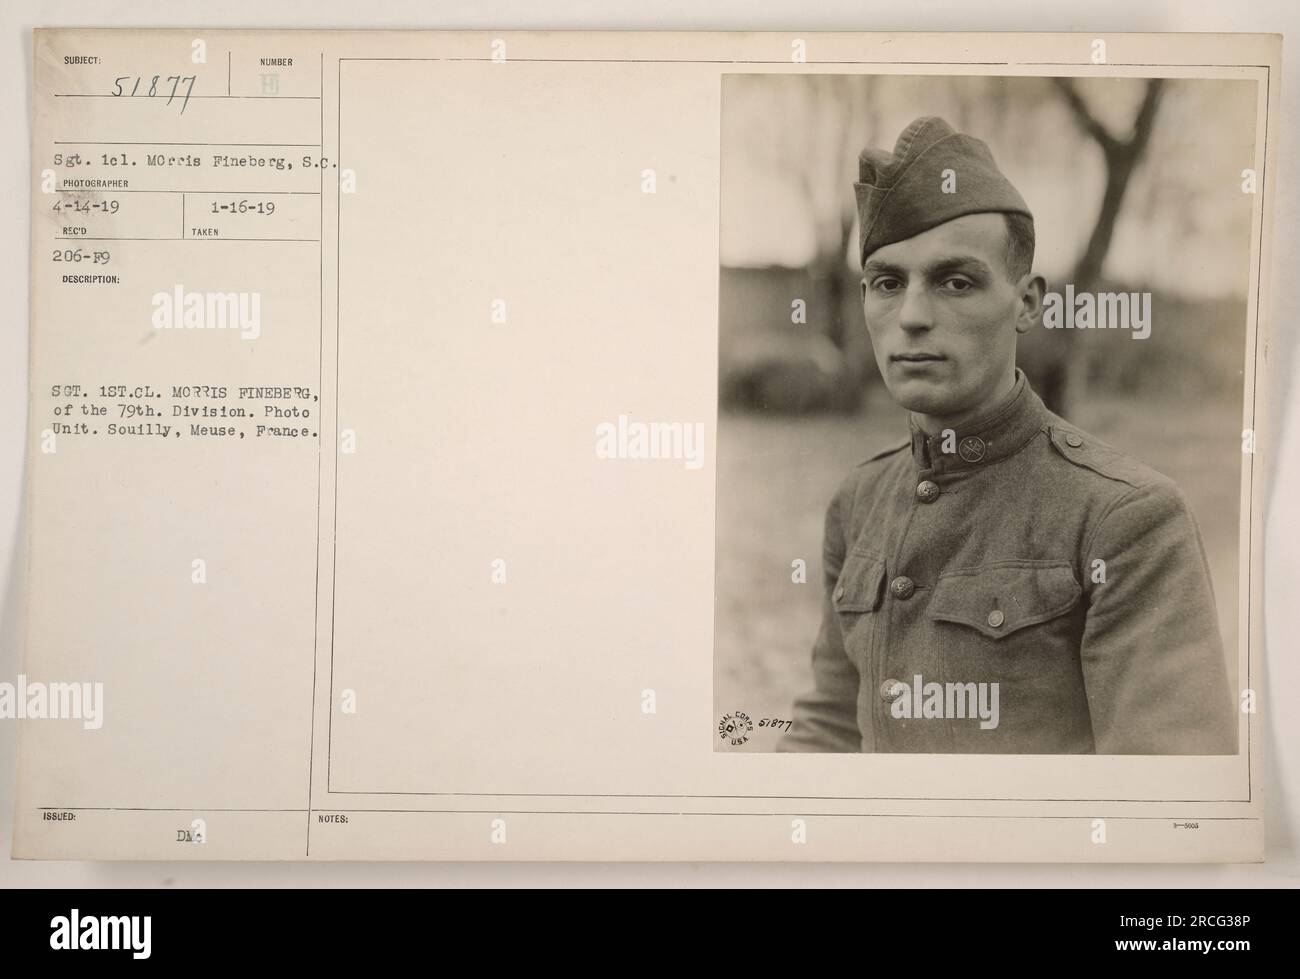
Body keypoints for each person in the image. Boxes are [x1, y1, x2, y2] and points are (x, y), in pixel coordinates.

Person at [778, 116, 1236, 754]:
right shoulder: (858, 502)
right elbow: (828, 731)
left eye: (955, 282)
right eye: (887, 283)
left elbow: (1165, 799)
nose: (911, 316)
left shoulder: (1126, 519)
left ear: (1027, 304)